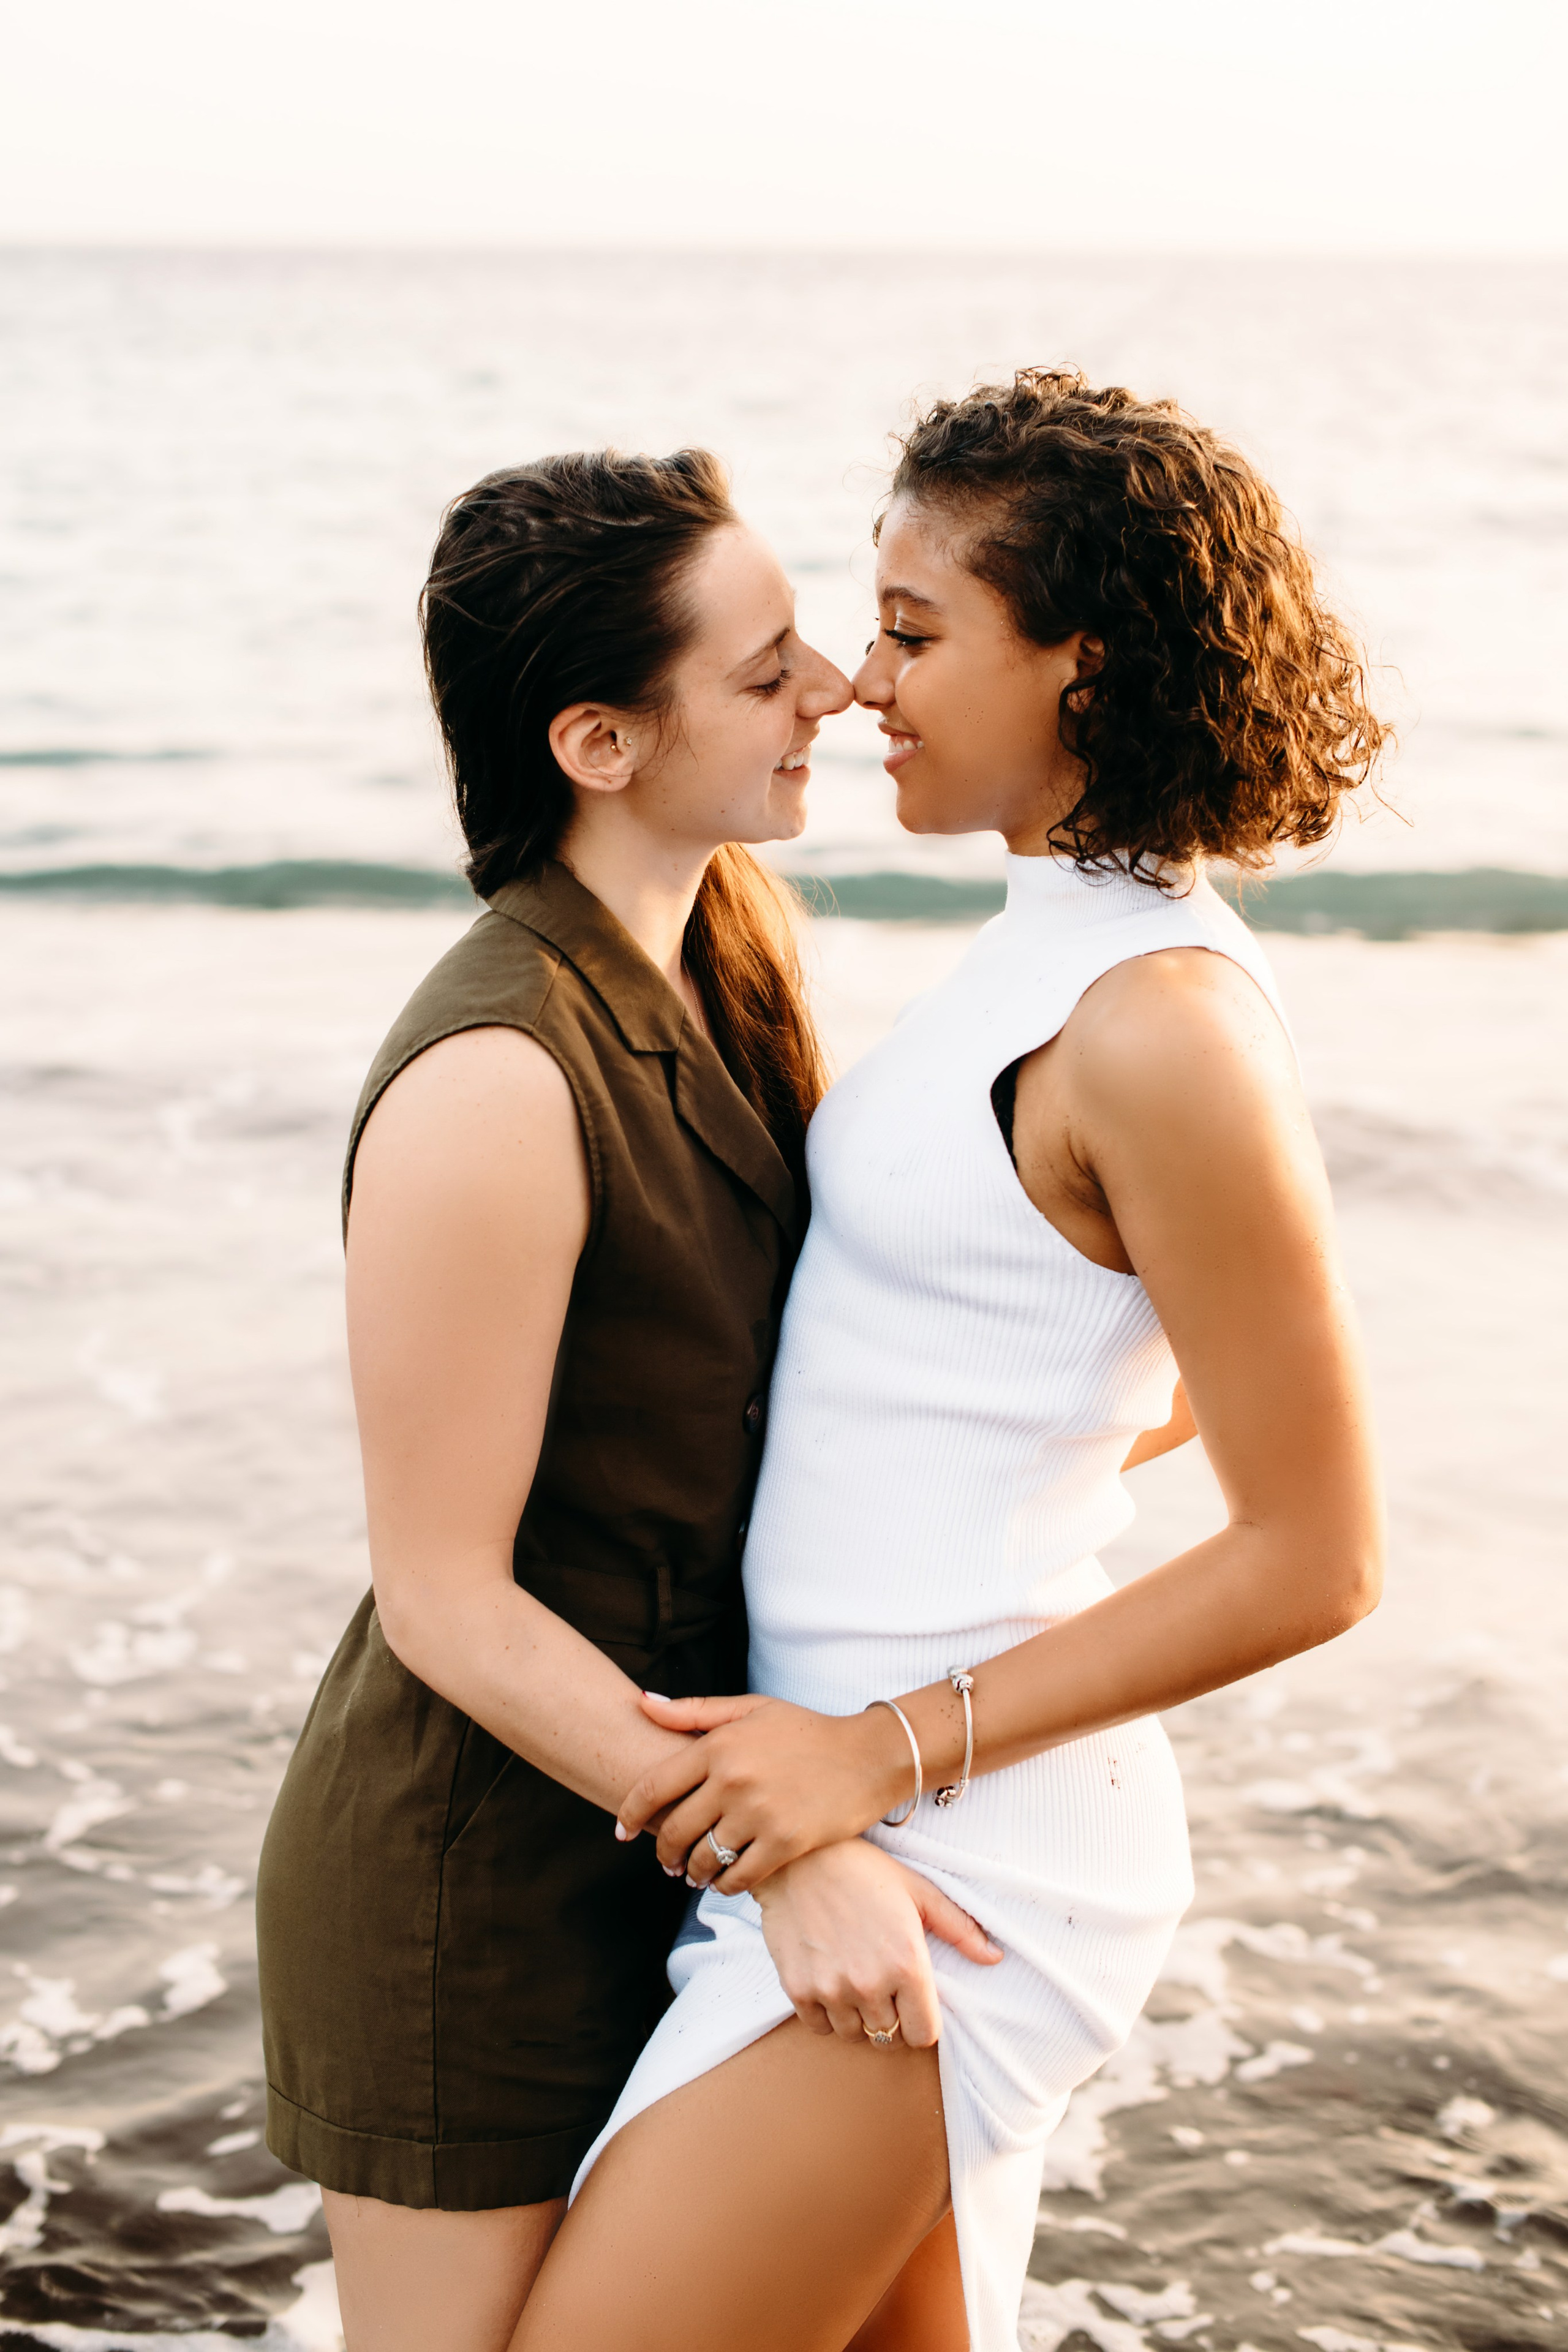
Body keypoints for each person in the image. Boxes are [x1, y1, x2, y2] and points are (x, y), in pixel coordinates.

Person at [510, 372, 1389, 2352]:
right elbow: (1113, 1364)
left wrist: (875, 1752)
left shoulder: (1162, 1024)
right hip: (837, 1814)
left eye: (914, 634)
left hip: (959, 1842)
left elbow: (1319, 1555)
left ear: (1087, 664)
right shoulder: (1039, 949)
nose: (859, 684)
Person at [252, 447, 1003, 2352]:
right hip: (482, 1898)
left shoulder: (734, 951)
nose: (835, 686)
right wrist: (795, 1849)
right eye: (764, 672)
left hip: (694, 1829)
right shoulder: (495, 1079)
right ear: (599, 744)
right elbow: (443, 1598)